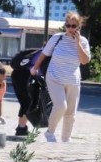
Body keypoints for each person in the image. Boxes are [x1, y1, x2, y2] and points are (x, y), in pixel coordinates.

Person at [30, 11, 91, 143]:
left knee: (70, 113)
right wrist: (35, 68)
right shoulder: (57, 38)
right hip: (54, 77)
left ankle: (66, 138)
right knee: (60, 106)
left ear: (78, 27)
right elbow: (44, 54)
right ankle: (50, 133)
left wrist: (78, 42)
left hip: (73, 80)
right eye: (68, 25)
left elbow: (85, 60)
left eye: (73, 26)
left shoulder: (83, 42)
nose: (70, 28)